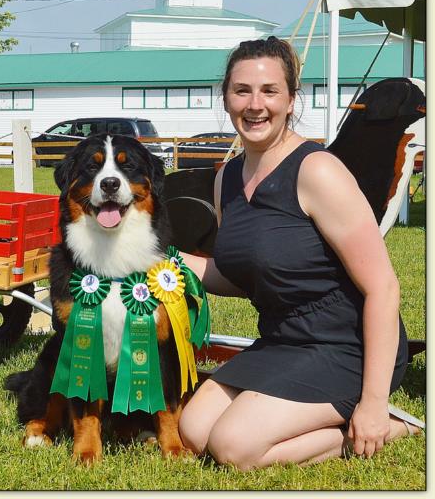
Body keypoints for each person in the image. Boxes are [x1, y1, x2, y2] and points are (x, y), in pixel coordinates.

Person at [178, 36, 421, 471]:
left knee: (234, 448)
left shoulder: (318, 170)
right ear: (226, 98)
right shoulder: (227, 179)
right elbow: (240, 275)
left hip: (347, 346)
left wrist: (372, 400)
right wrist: (163, 262)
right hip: (283, 340)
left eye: (270, 91)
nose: (255, 105)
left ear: (291, 100)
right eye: (242, 91)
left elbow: (383, 287)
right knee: (195, 431)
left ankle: (389, 424)